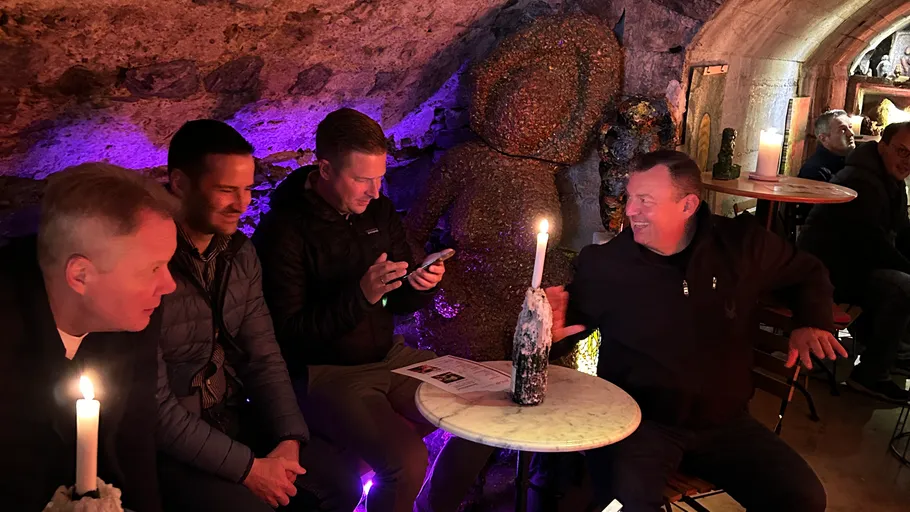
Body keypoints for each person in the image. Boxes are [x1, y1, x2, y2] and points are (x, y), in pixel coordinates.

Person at [549, 150, 845, 512]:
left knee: (803, 498)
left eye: (645, 200)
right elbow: (568, 328)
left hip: (726, 425)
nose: (629, 211)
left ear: (687, 205)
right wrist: (546, 331)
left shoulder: (740, 246)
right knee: (620, 507)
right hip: (639, 424)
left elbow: (807, 272)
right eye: (629, 198)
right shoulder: (606, 265)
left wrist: (810, 321)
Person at [253, 108, 494, 512]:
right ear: (325, 169)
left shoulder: (379, 212)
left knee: (485, 406)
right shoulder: (284, 230)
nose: (375, 191)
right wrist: (360, 296)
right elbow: (289, 334)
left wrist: (418, 286)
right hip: (327, 372)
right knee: (406, 461)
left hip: (390, 356)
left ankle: (438, 506)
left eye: (380, 177)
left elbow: (395, 299)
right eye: (362, 179)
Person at [155, 120, 363, 512]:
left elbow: (264, 355)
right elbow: (156, 410)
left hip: (232, 417)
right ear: (180, 184)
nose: (243, 203)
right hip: (171, 448)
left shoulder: (239, 253)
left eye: (248, 188)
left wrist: (288, 438)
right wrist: (248, 469)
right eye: (225, 190)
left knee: (340, 482)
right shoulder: (149, 263)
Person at [0, 163, 179, 511]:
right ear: (80, 275)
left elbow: (134, 438)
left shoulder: (133, 314)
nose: (169, 285)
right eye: (154, 268)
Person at [799, 121, 910, 402]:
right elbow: (874, 246)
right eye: (902, 151)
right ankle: (871, 375)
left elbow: (901, 230)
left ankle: (893, 351)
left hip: (854, 264)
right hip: (827, 270)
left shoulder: (889, 178)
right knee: (902, 286)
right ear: (883, 146)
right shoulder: (861, 180)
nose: (907, 161)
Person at [798, 110, 855, 183]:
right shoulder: (814, 171)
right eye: (843, 130)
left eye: (850, 127)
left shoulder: (854, 161)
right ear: (824, 139)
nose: (851, 133)